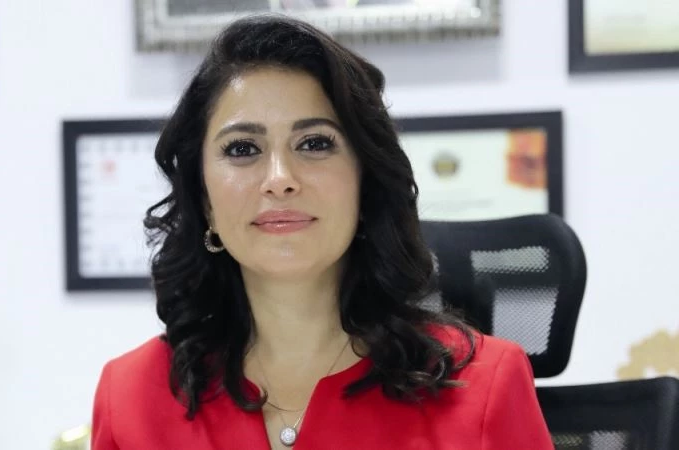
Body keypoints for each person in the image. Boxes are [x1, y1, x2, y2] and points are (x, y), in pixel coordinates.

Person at [91, 14, 554, 450]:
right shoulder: (130, 396)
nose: (279, 178)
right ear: (205, 200)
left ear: (364, 181)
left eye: (314, 143)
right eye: (243, 148)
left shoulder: (485, 384)